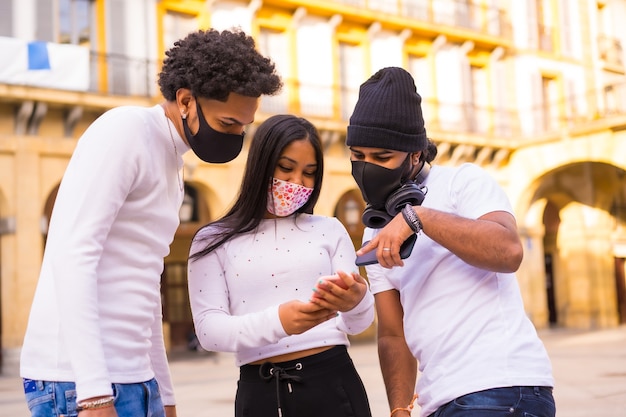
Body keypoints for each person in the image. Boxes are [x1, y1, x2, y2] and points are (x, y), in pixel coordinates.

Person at [20, 28, 282, 417]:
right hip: (75, 381)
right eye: (228, 124)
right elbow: (72, 253)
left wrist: (165, 392)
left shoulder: (173, 165)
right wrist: (93, 395)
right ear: (186, 101)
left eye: (244, 127)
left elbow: (145, 285)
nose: (236, 136)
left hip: (133, 379)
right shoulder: (125, 130)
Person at [345, 67, 556, 417]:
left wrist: (419, 217)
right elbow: (392, 335)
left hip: (498, 388)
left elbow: (508, 251)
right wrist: (399, 408)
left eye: (382, 157)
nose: (367, 167)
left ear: (415, 155)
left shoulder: (464, 182)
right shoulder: (375, 230)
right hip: (437, 400)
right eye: (357, 155)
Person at [187, 114, 375, 417]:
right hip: (260, 393)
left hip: (332, 384)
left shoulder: (329, 229)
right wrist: (278, 322)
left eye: (309, 172)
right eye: (286, 168)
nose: (297, 182)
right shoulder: (213, 240)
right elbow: (209, 331)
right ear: (261, 164)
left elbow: (357, 324)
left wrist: (357, 301)